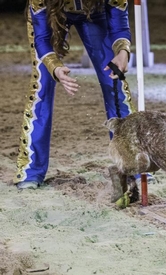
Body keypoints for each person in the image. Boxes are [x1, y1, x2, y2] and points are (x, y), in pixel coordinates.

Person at [14, 0, 136, 189]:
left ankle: (132, 163)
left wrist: (122, 51)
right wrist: (55, 68)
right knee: (42, 85)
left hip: (96, 12)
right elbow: (42, 38)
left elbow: (119, 23)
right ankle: (31, 170)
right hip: (51, 13)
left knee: (113, 80)